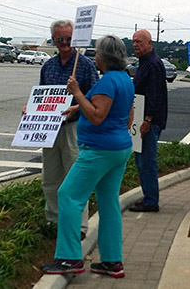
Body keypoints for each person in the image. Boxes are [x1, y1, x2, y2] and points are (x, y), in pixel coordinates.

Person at [41, 35, 135, 277]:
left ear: (103, 56)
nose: (96, 56)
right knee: (108, 202)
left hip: (98, 150)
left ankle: (70, 258)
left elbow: (96, 115)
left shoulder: (106, 82)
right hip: (119, 147)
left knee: (68, 195)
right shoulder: (124, 79)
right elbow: (126, 111)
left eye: (98, 52)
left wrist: (76, 92)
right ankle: (112, 261)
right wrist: (77, 106)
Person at [22, 19, 99, 239]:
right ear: (53, 39)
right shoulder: (48, 65)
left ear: (74, 39)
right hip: (49, 129)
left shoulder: (85, 65)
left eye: (68, 38)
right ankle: (54, 221)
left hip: (74, 128)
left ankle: (79, 227)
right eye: (59, 39)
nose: (64, 43)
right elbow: (41, 96)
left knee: (75, 177)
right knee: (51, 177)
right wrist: (30, 108)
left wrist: (77, 107)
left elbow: (96, 97)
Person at [128, 29, 168, 213]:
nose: (136, 44)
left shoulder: (152, 64)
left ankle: (151, 201)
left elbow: (154, 95)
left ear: (149, 43)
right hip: (142, 119)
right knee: (141, 160)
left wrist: (147, 120)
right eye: (134, 41)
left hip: (148, 121)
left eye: (139, 41)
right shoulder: (145, 62)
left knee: (146, 161)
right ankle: (148, 196)